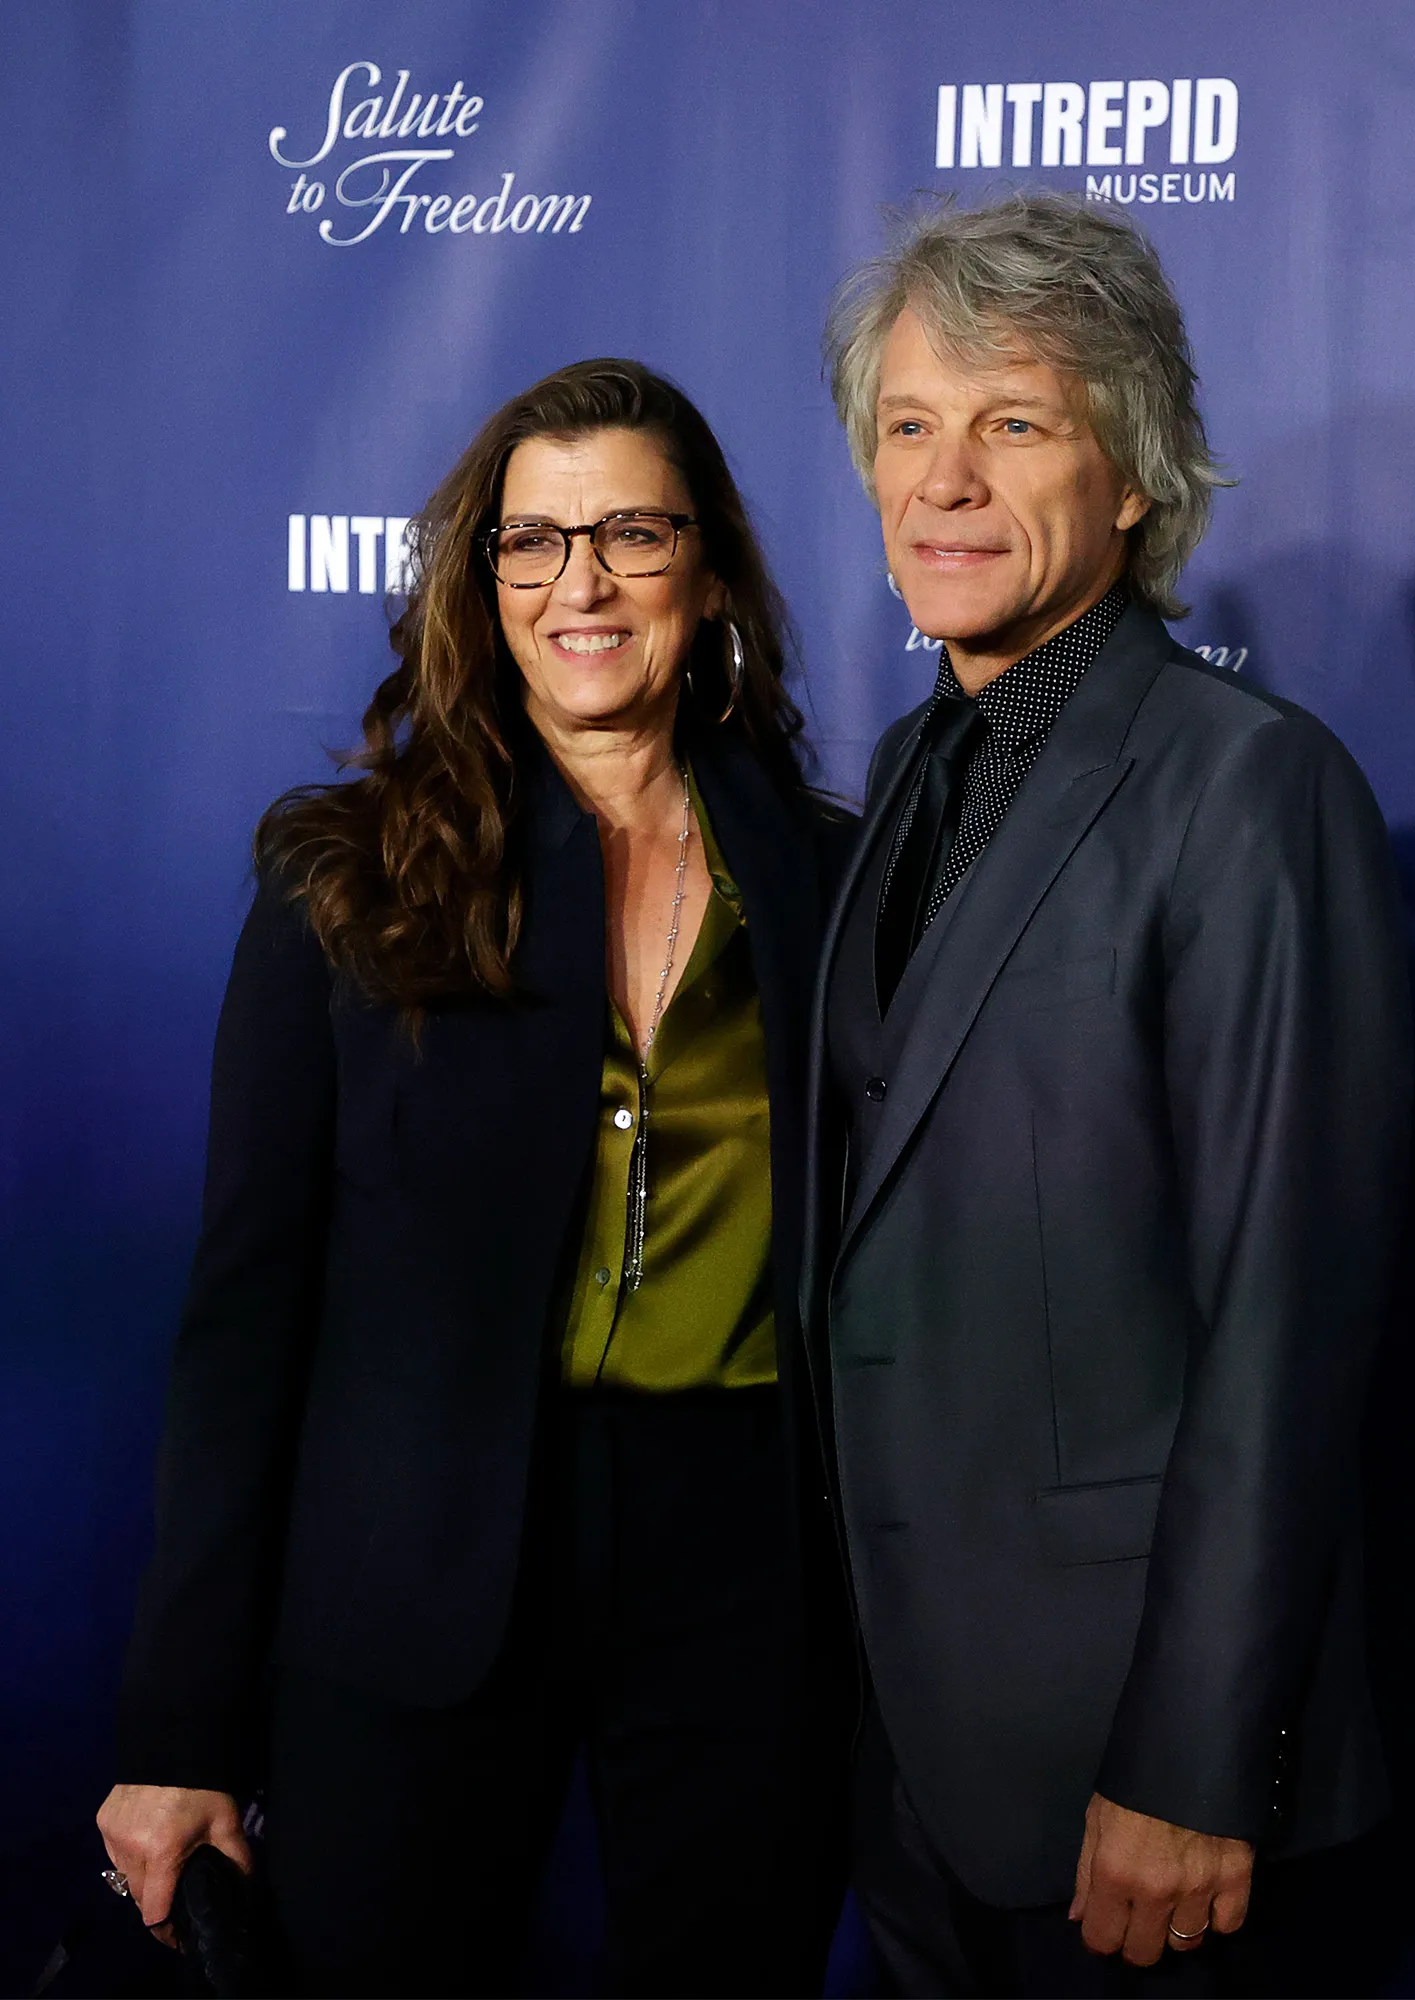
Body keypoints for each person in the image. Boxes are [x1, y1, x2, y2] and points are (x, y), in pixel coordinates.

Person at [97, 359, 854, 1997]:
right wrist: (178, 1729)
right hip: (408, 1573)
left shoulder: (832, 883)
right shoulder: (347, 879)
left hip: (740, 1571)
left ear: (709, 570)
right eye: (533, 542)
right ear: (482, 577)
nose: (580, 585)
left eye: (632, 535)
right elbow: (244, 1322)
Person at [805, 193, 1412, 1997]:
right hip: (906, 1747)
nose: (942, 481)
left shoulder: (1248, 786)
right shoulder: (908, 765)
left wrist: (1192, 1762)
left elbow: (1283, 1311)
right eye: (907, 425)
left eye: (1011, 423)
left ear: (1132, 473)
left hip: (1127, 1775)